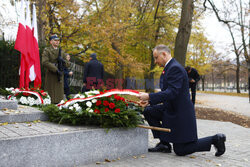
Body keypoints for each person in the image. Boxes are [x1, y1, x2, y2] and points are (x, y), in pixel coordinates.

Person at [138, 44, 226, 156]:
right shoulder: (169, 68)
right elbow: (168, 93)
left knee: (181, 150)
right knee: (149, 111)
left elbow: (172, 92)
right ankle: (164, 144)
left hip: (180, 114)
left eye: (156, 57)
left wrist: (149, 96)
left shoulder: (175, 68)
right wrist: (149, 102)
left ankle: (216, 139)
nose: (155, 61)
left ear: (164, 54)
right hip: (170, 109)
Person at [42, 34, 70, 104]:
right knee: (50, 93)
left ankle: (58, 104)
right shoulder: (47, 50)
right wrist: (55, 69)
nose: (57, 42)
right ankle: (50, 104)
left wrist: (63, 61)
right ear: (51, 42)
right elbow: (45, 62)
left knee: (59, 94)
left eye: (58, 40)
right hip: (51, 74)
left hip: (60, 75)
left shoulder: (62, 52)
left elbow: (68, 64)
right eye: (55, 40)